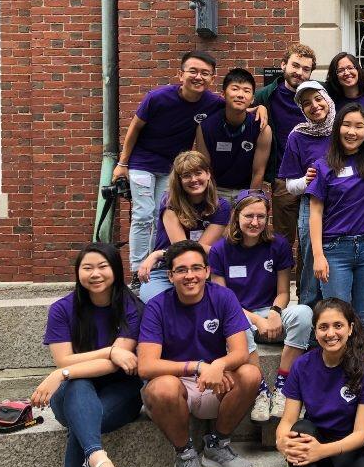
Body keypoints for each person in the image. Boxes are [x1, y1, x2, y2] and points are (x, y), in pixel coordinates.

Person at [138, 240, 261, 467]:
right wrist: (198, 366)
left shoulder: (223, 297)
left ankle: (217, 444)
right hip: (175, 384)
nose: (190, 275)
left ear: (207, 271)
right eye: (181, 270)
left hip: (215, 382)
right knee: (162, 387)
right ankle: (184, 454)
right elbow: (146, 366)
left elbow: (240, 352)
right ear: (170, 276)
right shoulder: (157, 306)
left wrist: (219, 365)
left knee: (250, 374)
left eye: (196, 268)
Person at [31, 243, 144, 467]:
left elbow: (121, 361)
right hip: (71, 394)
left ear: (116, 271)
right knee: (79, 386)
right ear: (78, 272)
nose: (95, 274)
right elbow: (64, 359)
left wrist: (63, 373)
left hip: (121, 393)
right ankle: (98, 458)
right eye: (87, 267)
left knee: (83, 418)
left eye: (102, 266)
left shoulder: (132, 307)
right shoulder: (62, 309)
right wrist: (107, 351)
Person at [258, 298, 364, 467]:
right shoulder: (302, 365)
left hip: (350, 447)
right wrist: (281, 440)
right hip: (314, 437)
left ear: (350, 328)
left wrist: (321, 451)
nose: (331, 333)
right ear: (315, 332)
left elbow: (360, 434)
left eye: (338, 325)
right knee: (300, 432)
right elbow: (287, 420)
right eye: (323, 327)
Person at [113, 50, 223, 277]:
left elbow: (238, 106)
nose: (198, 77)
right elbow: (134, 128)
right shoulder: (157, 97)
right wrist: (122, 163)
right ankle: (137, 271)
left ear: (212, 78)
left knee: (161, 215)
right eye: (193, 71)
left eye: (205, 73)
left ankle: (156, 264)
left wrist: (259, 108)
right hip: (142, 162)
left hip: (173, 170)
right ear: (180, 74)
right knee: (144, 214)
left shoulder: (211, 102)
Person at [208, 192, 313, 422]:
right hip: (238, 317)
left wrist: (275, 313)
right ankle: (261, 391)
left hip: (269, 313)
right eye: (249, 216)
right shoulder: (220, 250)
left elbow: (284, 291)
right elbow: (223, 299)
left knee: (304, 313)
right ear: (236, 216)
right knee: (233, 322)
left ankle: (283, 386)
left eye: (261, 216)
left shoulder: (278, 245)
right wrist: (258, 321)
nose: (255, 222)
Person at [308, 103, 364, 345]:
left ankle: (363, 378)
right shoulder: (323, 166)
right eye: (347, 125)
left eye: (359, 126)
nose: (352, 132)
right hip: (334, 251)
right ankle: (337, 378)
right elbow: (315, 213)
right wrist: (318, 256)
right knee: (337, 320)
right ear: (337, 128)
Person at [137, 150, 231, 303]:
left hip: (202, 271)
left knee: (216, 303)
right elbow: (182, 248)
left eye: (198, 173)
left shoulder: (221, 206)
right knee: (159, 304)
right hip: (166, 270)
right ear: (179, 180)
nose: (194, 179)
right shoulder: (170, 202)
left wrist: (156, 254)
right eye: (187, 175)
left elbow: (196, 250)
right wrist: (162, 256)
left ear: (208, 174)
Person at [279, 80, 336, 308]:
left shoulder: (344, 128)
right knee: (313, 261)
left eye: (318, 99)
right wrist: (306, 181)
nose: (314, 106)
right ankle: (309, 319)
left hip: (344, 205)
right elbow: (290, 185)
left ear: (327, 99)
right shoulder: (298, 136)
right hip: (310, 205)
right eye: (306, 103)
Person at [253, 43, 316, 245]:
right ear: (283, 65)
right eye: (295, 66)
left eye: (306, 69)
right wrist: (259, 107)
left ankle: (305, 279)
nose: (299, 72)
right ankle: (281, 278)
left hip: (315, 177)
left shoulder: (316, 98)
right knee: (283, 241)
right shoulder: (266, 96)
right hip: (283, 179)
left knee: (311, 241)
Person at [194, 68, 272, 199]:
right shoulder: (206, 126)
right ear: (223, 94)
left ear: (252, 98)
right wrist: (210, 199)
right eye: (235, 89)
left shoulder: (261, 128)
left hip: (245, 191)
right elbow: (205, 168)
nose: (240, 95)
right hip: (215, 191)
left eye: (246, 91)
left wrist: (249, 201)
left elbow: (258, 172)